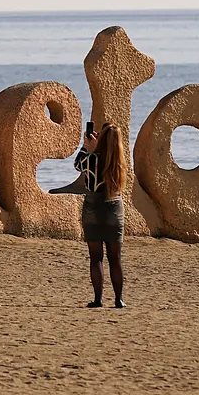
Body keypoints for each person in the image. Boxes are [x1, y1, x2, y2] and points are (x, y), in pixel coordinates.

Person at [74, 123, 128, 308]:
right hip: (114, 208)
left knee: (96, 257)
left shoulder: (92, 159)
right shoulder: (119, 162)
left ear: (101, 139)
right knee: (116, 258)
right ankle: (119, 299)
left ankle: (98, 299)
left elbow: (77, 164)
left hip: (93, 207)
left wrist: (87, 147)